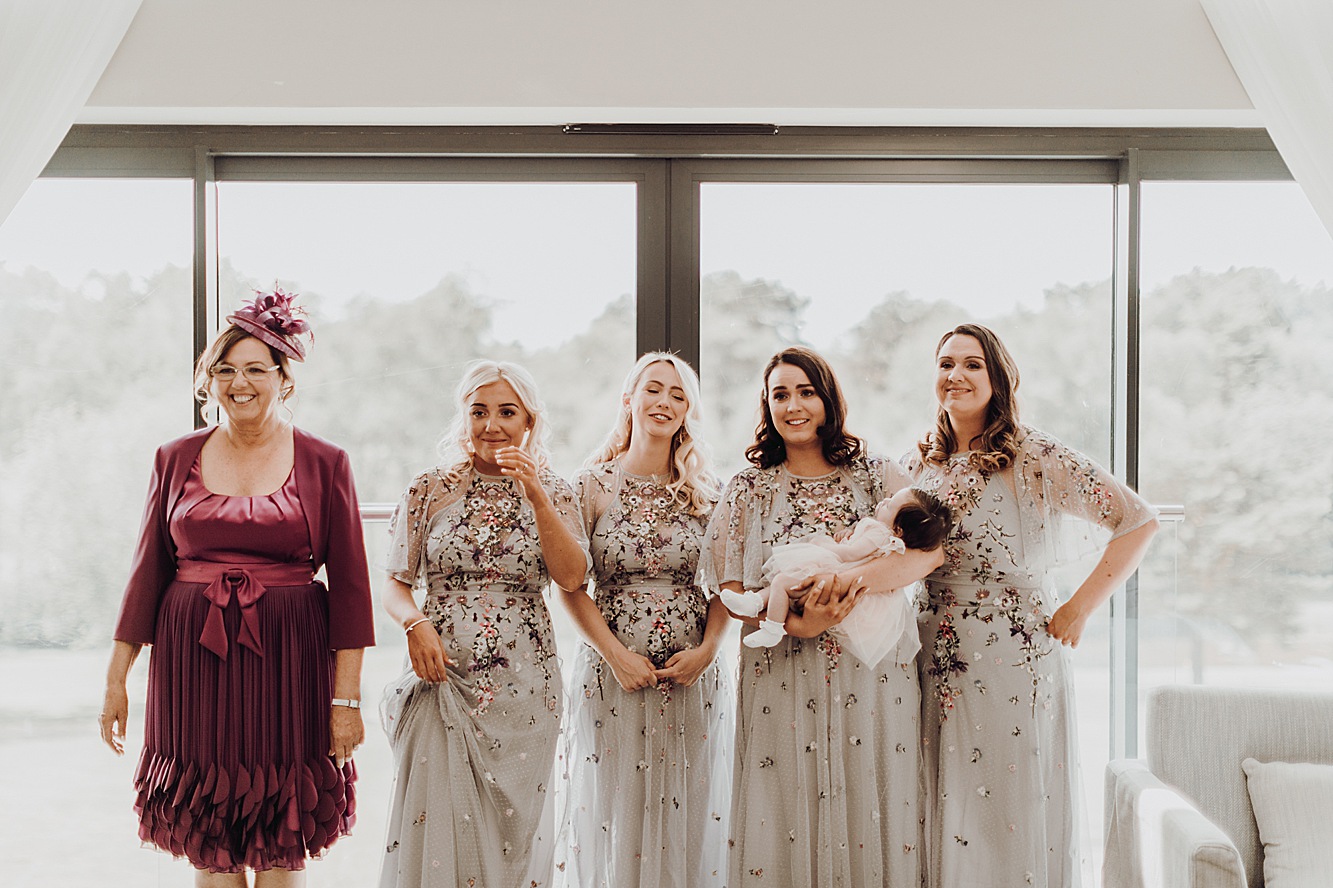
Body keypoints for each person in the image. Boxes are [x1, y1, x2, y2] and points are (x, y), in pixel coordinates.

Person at [99, 288, 376, 885]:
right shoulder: (173, 457)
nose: (239, 382)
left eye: (255, 368)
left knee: (280, 840)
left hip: (291, 666)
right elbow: (147, 572)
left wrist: (345, 702)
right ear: (209, 379)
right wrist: (117, 678)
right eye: (225, 369)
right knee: (210, 838)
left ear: (284, 379)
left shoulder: (327, 462)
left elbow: (351, 591)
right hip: (191, 668)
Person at [904, 323, 1158, 888]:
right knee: (942, 798)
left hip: (1013, 655)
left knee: (1005, 804)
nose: (957, 375)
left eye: (972, 364)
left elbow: (1137, 520)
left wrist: (1080, 608)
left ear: (997, 376)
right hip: (932, 651)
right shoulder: (921, 461)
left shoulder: (1034, 454)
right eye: (946, 363)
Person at [700, 346, 942, 887]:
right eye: (780, 394)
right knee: (782, 798)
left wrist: (848, 587)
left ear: (828, 399)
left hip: (871, 671)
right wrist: (796, 625)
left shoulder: (876, 473)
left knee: (869, 792)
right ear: (766, 405)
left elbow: (929, 553)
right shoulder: (748, 488)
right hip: (781, 669)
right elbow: (733, 590)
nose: (794, 405)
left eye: (806, 392)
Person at [378, 359, 589, 888]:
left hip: (525, 687)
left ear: (529, 423)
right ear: (463, 418)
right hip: (443, 677)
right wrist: (414, 624)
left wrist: (536, 493)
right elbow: (395, 583)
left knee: (512, 833)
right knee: (437, 823)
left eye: (506, 412)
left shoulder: (558, 491)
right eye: (479, 411)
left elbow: (571, 577)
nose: (491, 424)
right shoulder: (429, 488)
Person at [554, 352, 733, 888]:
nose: (665, 402)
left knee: (690, 809)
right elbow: (571, 585)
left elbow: (727, 586)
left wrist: (708, 650)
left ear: (688, 412)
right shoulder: (591, 486)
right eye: (654, 389)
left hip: (690, 674)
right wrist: (615, 655)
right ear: (628, 400)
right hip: (613, 674)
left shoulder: (708, 492)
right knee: (616, 810)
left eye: (679, 396)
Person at [720, 485, 952, 660]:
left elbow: (851, 554)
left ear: (898, 529)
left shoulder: (879, 532)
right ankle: (754, 603)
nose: (885, 500)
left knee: (782, 580)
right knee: (785, 579)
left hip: (836, 570)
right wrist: (849, 535)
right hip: (836, 572)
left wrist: (830, 547)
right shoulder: (882, 533)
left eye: (890, 505)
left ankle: (771, 625)